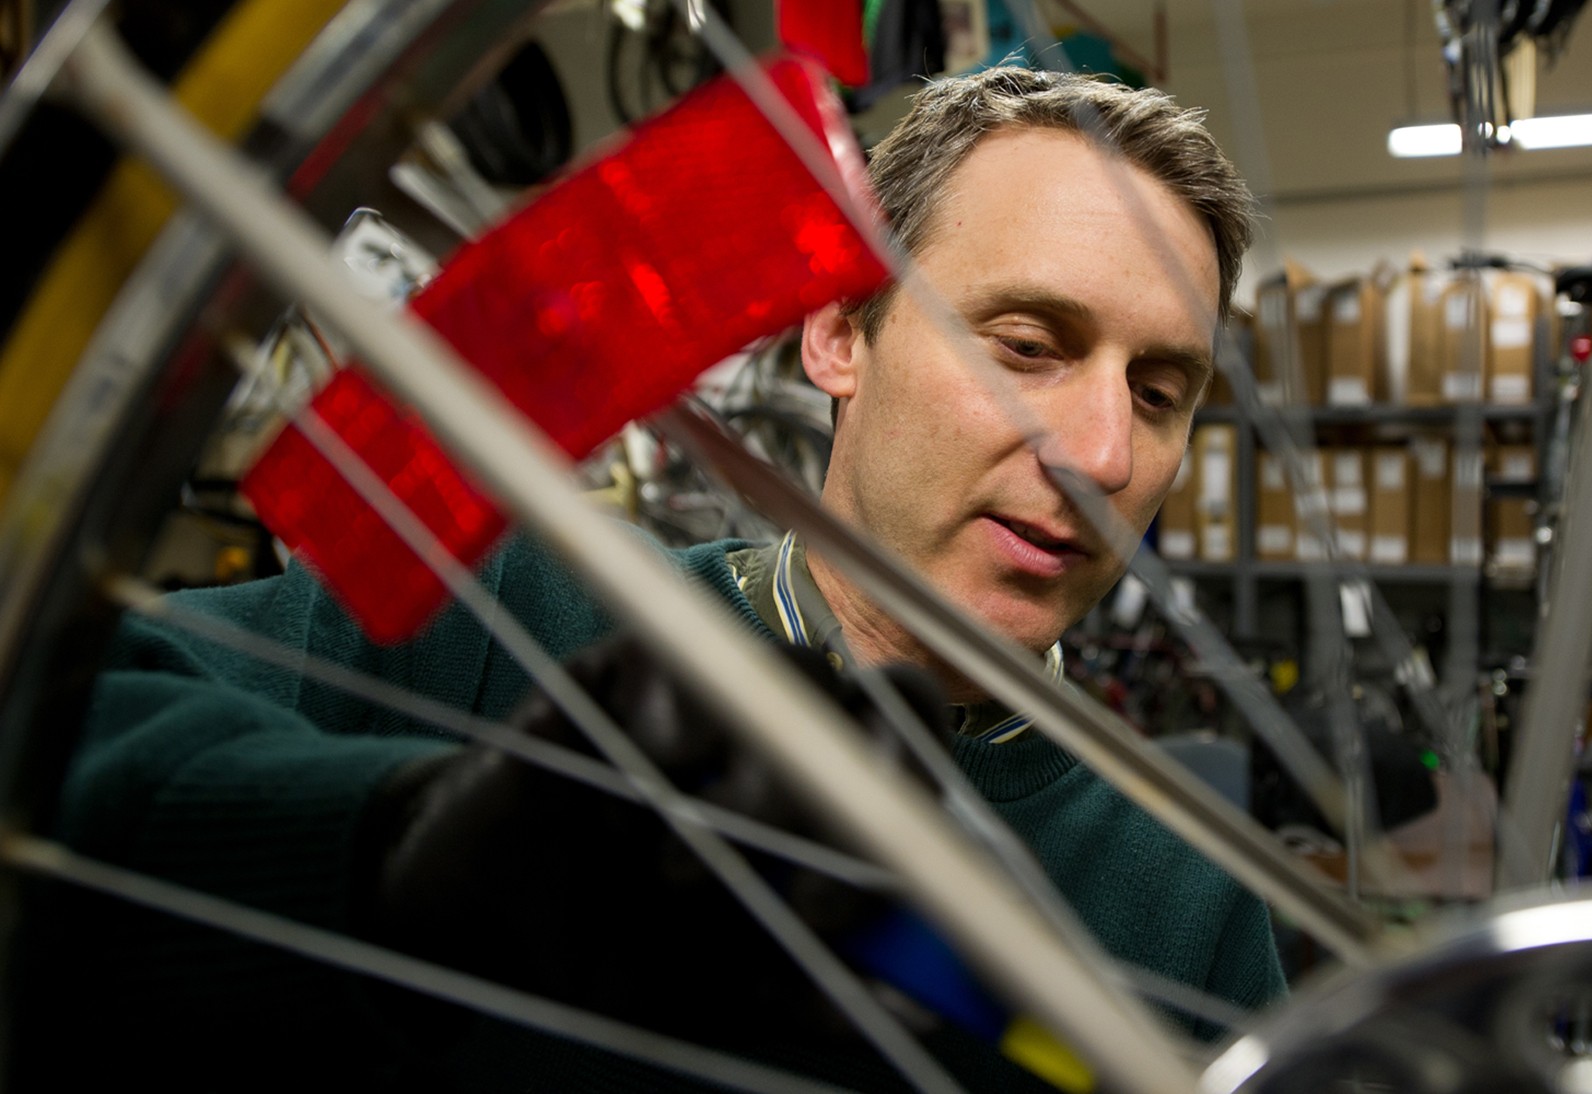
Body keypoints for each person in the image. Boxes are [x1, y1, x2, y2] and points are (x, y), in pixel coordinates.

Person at [34, 67, 1279, 1090]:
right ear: (842, 333)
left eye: (1158, 393)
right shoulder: (507, 613)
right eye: (1027, 346)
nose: (1104, 453)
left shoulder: (1192, 891)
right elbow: (49, 715)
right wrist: (400, 841)